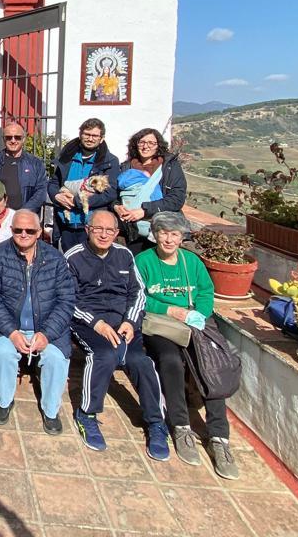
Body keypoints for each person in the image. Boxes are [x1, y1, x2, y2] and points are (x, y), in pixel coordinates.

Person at [135, 211, 239, 479]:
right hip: (161, 324)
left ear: (182, 237)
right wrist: (171, 310)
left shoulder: (191, 262)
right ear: (154, 234)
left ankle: (219, 437)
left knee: (212, 364)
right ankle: (181, 425)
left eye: (174, 234)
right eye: (163, 233)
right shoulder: (144, 261)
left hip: (194, 323)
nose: (169, 239)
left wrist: (199, 315)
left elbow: (205, 291)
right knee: (170, 361)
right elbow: (138, 297)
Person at [64, 210, 170, 460]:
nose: (104, 235)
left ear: (116, 233)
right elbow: (68, 299)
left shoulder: (124, 255)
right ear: (87, 230)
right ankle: (87, 413)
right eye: (98, 229)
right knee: (105, 355)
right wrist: (97, 323)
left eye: (109, 230)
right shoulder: (73, 257)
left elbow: (138, 293)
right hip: (88, 322)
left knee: (140, 361)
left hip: (123, 322)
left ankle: (156, 422)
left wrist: (130, 322)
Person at [0, 209, 75, 434]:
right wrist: (12, 332)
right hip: (9, 326)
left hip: (45, 327)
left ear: (39, 232)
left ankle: (51, 410)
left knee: (55, 358)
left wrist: (46, 333)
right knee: (4, 353)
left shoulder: (55, 259)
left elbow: (66, 301)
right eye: (18, 230)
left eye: (30, 230)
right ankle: (4, 401)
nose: (24, 234)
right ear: (11, 230)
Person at [47, 118, 119, 252]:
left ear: (101, 139)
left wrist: (77, 201)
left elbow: (110, 193)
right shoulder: (66, 157)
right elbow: (54, 182)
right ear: (80, 135)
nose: (90, 139)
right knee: (69, 260)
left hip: (92, 226)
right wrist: (56, 196)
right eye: (87, 134)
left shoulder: (110, 161)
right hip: (66, 224)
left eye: (95, 136)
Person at [114, 128, 187, 255]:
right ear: (135, 144)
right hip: (131, 230)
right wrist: (117, 206)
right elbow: (114, 193)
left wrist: (145, 210)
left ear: (158, 146)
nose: (145, 146)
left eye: (151, 143)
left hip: (162, 230)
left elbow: (177, 198)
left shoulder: (169, 166)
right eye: (141, 142)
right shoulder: (126, 167)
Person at [0, 123, 48, 211]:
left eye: (17, 137)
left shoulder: (35, 164)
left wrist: (23, 213)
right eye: (9, 137)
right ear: (3, 139)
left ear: (23, 139)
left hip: (26, 216)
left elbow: (41, 192)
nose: (13, 141)